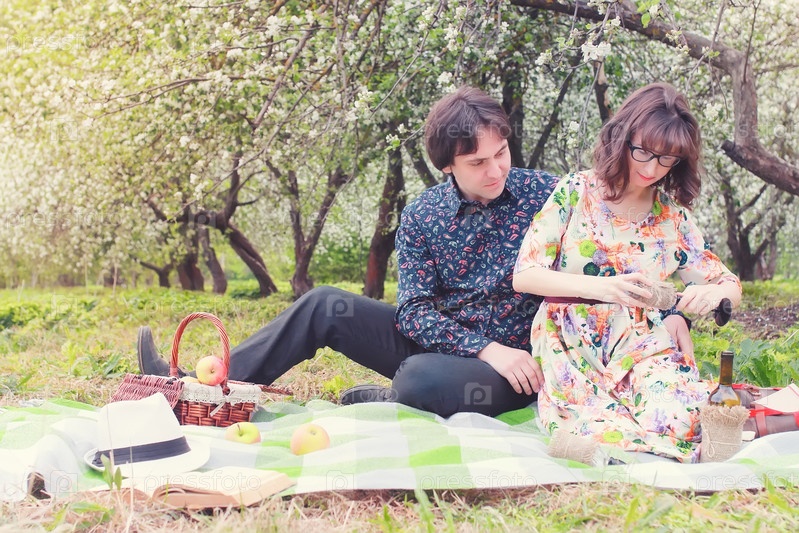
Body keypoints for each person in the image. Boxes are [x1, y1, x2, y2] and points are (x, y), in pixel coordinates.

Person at [138, 86, 691, 418]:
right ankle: (195, 386)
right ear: (447, 165)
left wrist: (670, 314)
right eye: (478, 162)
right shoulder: (425, 215)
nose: (496, 170)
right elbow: (415, 311)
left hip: (521, 363)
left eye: (501, 153)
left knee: (419, 380)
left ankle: (398, 398)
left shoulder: (546, 193)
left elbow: (623, 253)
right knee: (324, 304)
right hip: (457, 345)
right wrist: (483, 349)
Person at [511, 82, 742, 462]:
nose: (652, 169)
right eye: (643, 152)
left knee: (683, 418)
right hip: (571, 338)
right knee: (595, 422)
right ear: (622, 137)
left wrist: (718, 295)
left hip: (641, 340)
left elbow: (728, 282)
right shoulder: (576, 190)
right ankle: (584, 435)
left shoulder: (672, 217)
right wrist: (604, 288)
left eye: (667, 159)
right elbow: (525, 274)